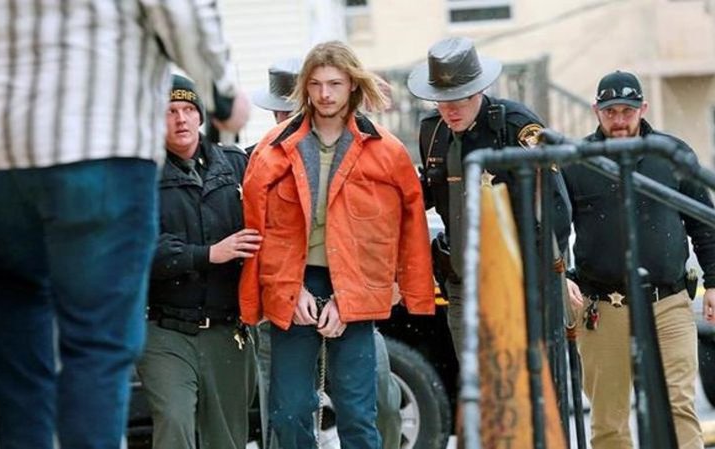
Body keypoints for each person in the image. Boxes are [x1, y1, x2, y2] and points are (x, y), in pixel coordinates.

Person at [0, 1, 248, 448]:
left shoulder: (227, 165)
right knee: (97, 334)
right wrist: (223, 95)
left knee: (20, 295)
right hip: (96, 140)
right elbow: (180, 12)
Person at [239, 41, 435, 449]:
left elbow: (398, 233)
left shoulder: (387, 152)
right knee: (289, 413)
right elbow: (261, 231)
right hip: (295, 285)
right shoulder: (273, 149)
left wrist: (354, 299)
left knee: (359, 414)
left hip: (355, 285)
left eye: (334, 84)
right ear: (304, 88)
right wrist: (287, 290)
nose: (325, 94)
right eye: (315, 84)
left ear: (353, 86)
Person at [564, 70, 715, 449]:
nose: (619, 120)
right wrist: (560, 274)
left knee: (678, 406)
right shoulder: (576, 162)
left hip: (669, 302)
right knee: (609, 418)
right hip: (603, 306)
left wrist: (714, 281)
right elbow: (551, 226)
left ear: (643, 109)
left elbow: (704, 222)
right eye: (610, 112)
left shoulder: (671, 155)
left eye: (627, 111)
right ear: (596, 111)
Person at [407, 37, 572, 356]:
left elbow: (555, 205)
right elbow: (428, 191)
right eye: (441, 100)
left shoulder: (515, 126)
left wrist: (548, 275)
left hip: (518, 278)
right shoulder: (433, 130)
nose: (450, 110)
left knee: (526, 376)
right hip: (462, 281)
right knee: (477, 377)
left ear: (479, 90)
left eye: (459, 98)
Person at [137, 75, 258, 449]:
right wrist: (208, 254)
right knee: (174, 421)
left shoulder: (235, 165)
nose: (180, 119)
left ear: (200, 116)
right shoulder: (140, 175)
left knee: (228, 438)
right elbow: (141, 248)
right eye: (169, 111)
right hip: (165, 329)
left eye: (188, 109)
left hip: (227, 329)